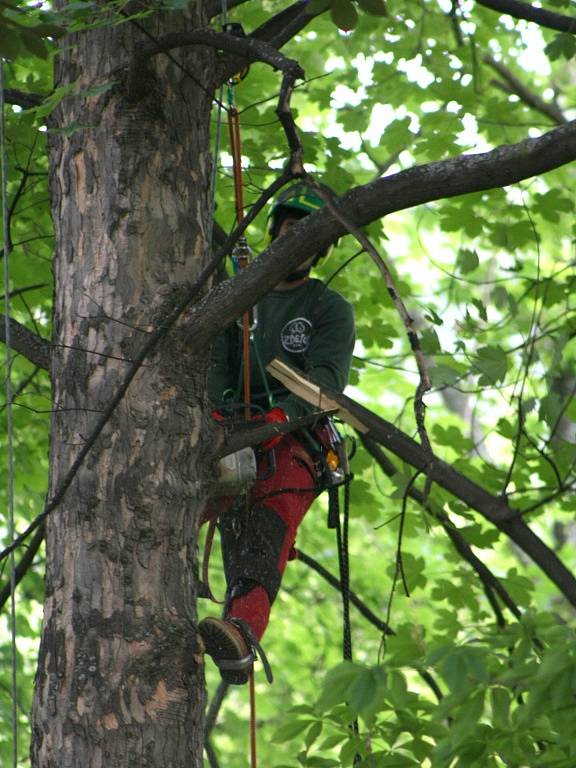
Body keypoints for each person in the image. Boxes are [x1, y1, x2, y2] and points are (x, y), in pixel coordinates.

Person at [199, 182, 355, 685]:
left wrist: (279, 420)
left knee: (264, 530)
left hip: (294, 442)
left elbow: (325, 383)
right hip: (233, 427)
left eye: (312, 237)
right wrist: (225, 412)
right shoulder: (241, 295)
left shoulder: (327, 307)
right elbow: (218, 360)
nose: (300, 242)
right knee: (181, 505)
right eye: (292, 230)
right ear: (274, 232)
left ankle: (240, 634)